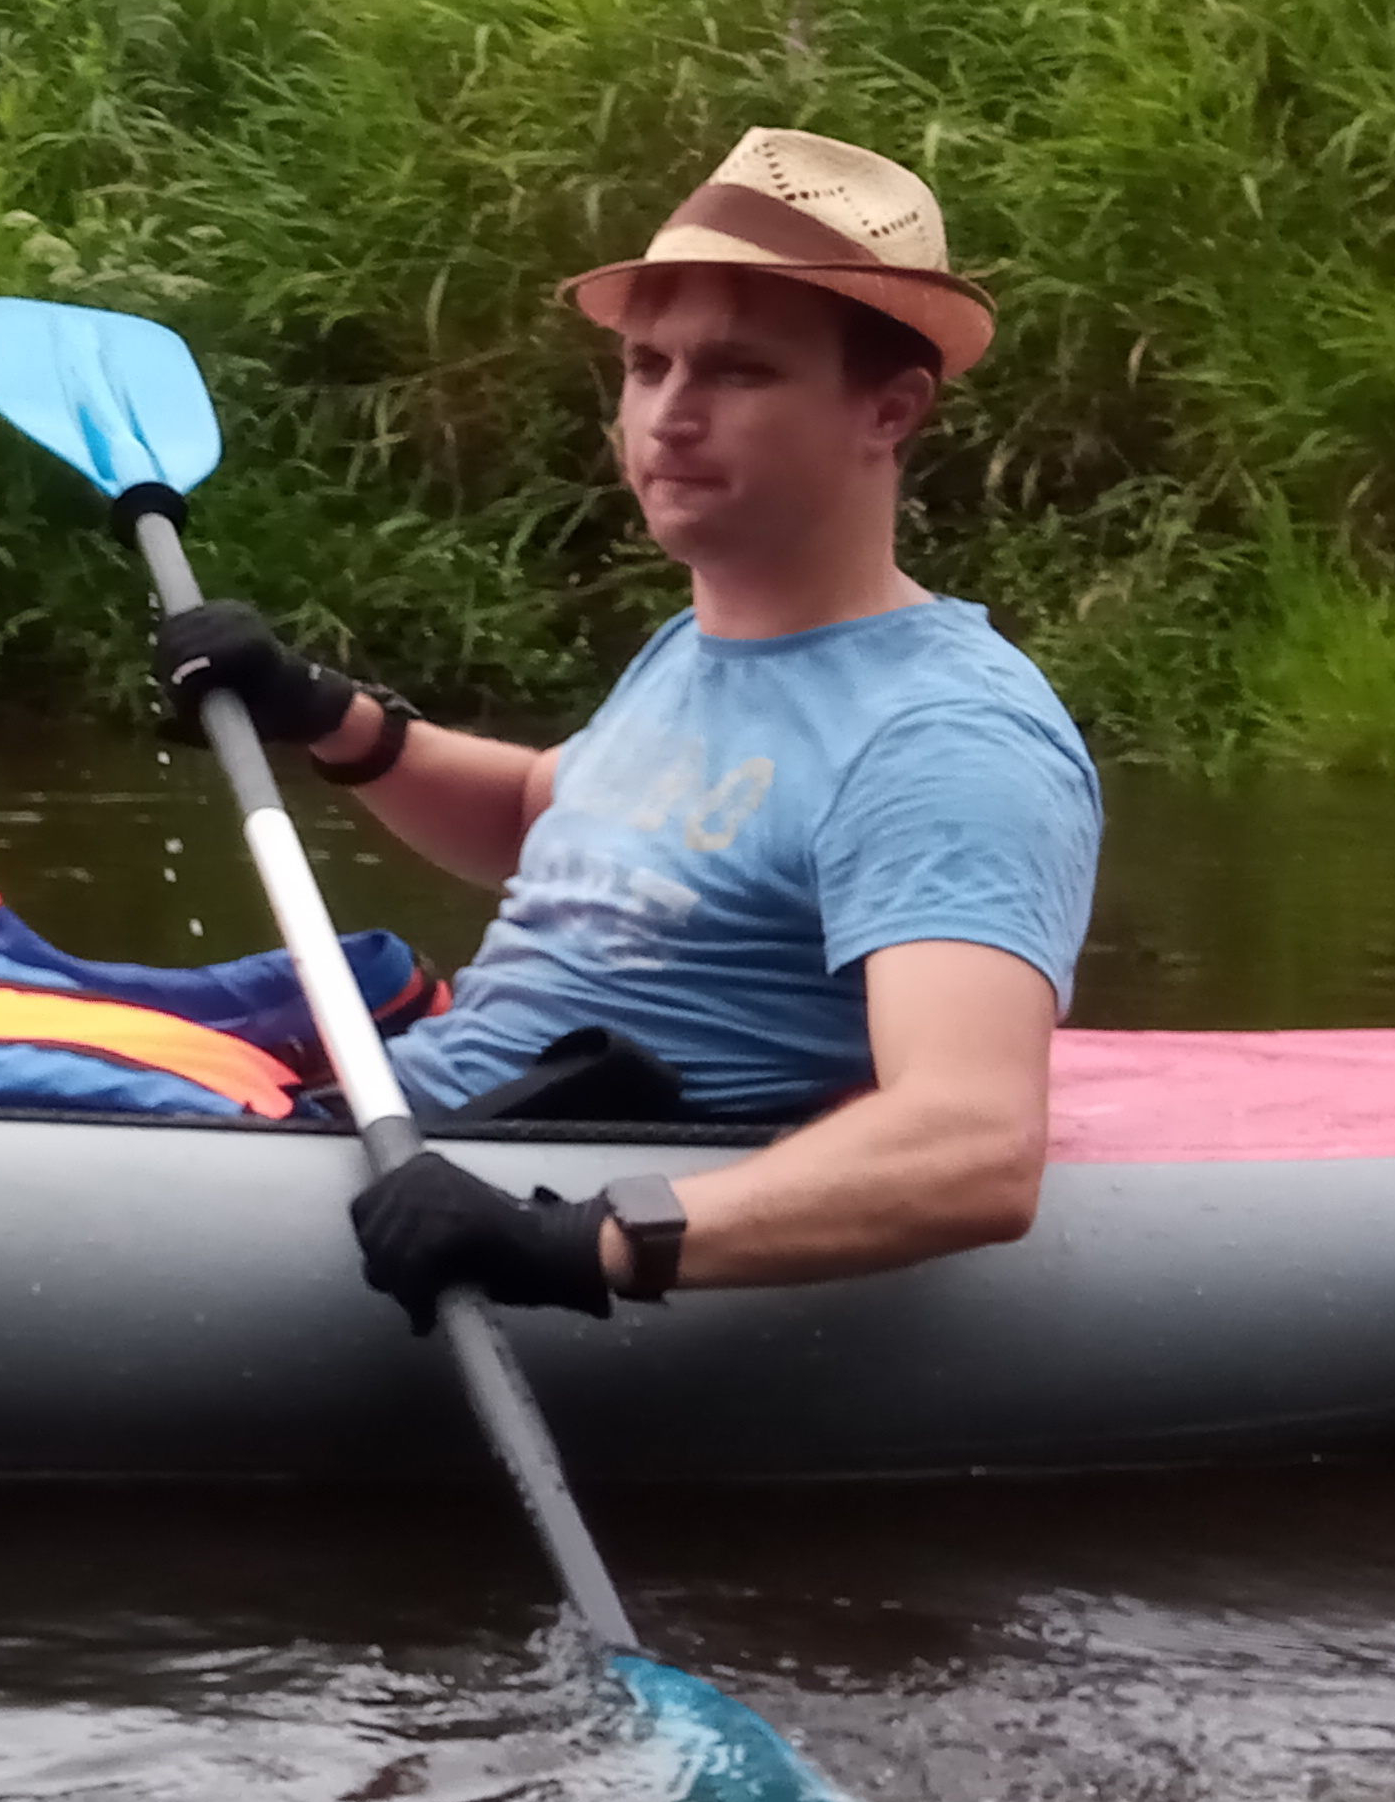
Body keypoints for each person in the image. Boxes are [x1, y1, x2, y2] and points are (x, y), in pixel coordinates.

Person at [156, 127, 1099, 1322]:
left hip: (522, 1187)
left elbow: (973, 1144)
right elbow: (541, 819)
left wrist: (573, 1245)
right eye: (647, 365)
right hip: (405, 1119)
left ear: (887, 410)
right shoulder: (697, 648)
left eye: (737, 372)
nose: (669, 414)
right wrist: (329, 716)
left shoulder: (946, 738)